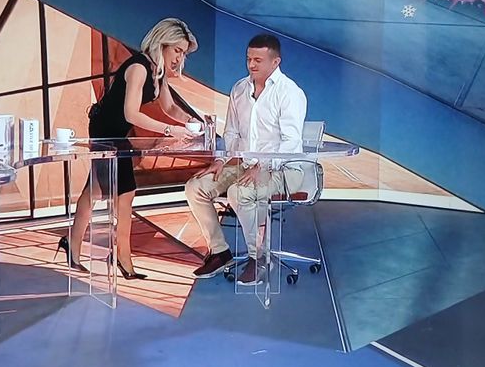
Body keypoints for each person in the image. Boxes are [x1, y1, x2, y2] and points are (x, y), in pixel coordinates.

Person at [57, 18, 199, 279]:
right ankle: (122, 256)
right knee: (125, 192)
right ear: (162, 44)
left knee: (96, 190)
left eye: (183, 53)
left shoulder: (157, 72)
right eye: (177, 50)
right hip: (105, 131)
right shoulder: (139, 68)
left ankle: (73, 244)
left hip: (118, 134)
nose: (180, 58)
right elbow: (131, 114)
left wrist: (193, 121)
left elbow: (169, 107)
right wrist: (170, 130)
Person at [185, 34, 307, 285]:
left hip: (283, 169)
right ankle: (220, 252)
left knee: (239, 193)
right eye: (249, 59)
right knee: (195, 187)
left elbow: (291, 142)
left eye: (258, 60)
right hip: (244, 164)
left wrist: (262, 165)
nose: (251, 64)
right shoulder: (239, 89)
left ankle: (258, 257)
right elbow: (231, 133)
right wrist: (221, 160)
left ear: (275, 62)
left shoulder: (290, 93)